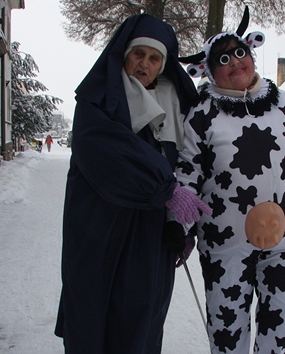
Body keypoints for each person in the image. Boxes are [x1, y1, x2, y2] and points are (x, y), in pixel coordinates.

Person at [176, 8, 285, 353]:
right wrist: (178, 225)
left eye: (240, 52)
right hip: (225, 247)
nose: (235, 62)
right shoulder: (202, 116)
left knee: (280, 326)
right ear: (208, 70)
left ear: (252, 54)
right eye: (223, 59)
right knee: (227, 329)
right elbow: (187, 176)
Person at [53, 13, 209, 354]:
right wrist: (166, 190)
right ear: (124, 54)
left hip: (149, 234)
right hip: (99, 227)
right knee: (94, 313)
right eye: (138, 54)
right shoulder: (97, 101)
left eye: (154, 58)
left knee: (141, 315)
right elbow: (108, 154)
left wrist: (181, 225)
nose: (144, 64)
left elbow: (191, 166)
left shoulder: (178, 103)